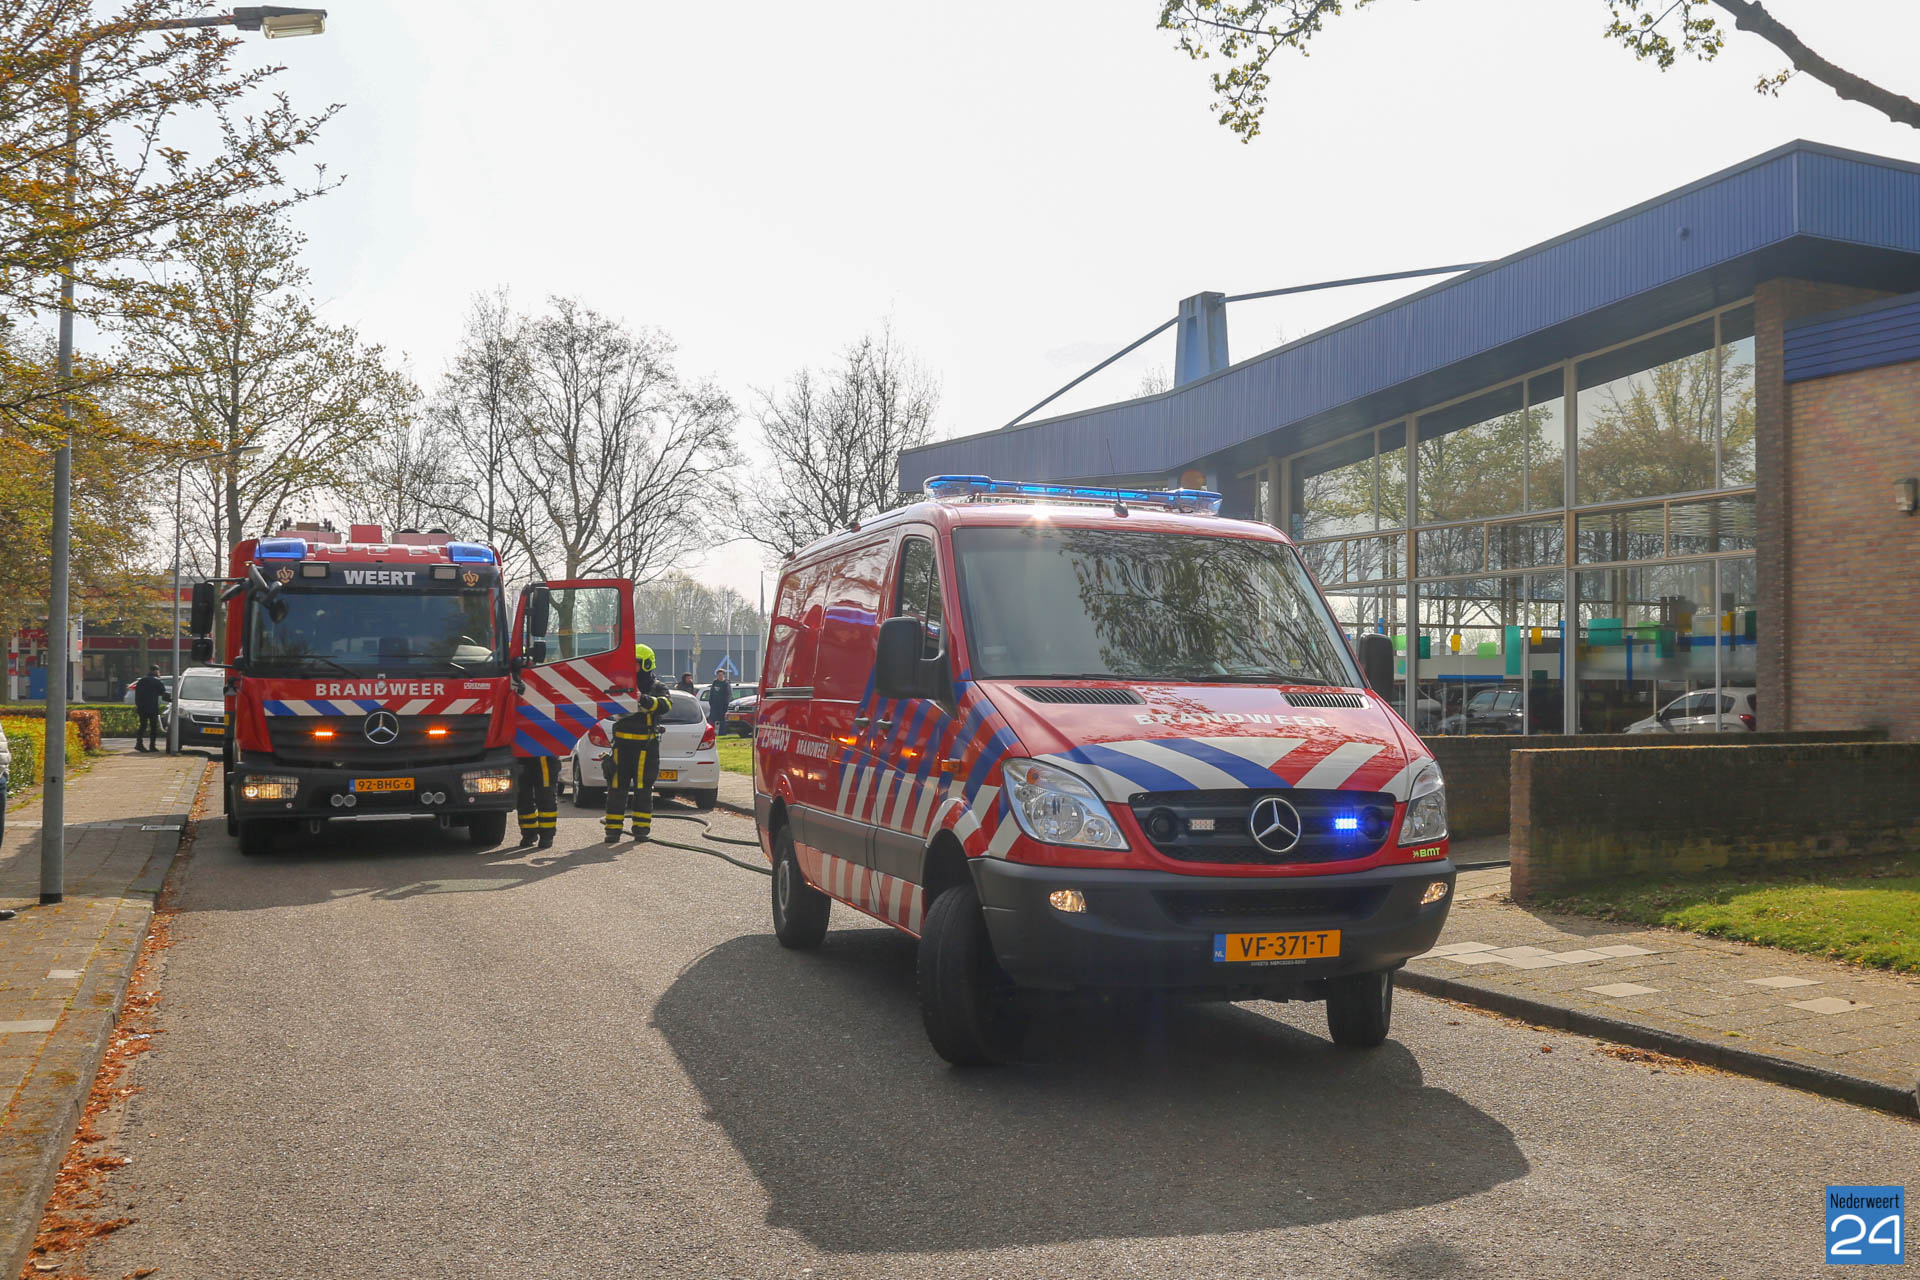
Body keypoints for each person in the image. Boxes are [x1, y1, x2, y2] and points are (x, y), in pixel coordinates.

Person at [604, 644, 673, 844]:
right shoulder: (621, 684)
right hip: (621, 747)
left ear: (646, 664)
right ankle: (612, 831)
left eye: (634, 663)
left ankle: (641, 830)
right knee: (616, 789)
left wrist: (643, 699)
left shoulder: (657, 687)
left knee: (643, 790)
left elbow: (666, 705)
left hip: (646, 748)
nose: (630, 667)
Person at [515, 755, 557, 850]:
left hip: (544, 760)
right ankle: (529, 834)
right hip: (521, 760)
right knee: (523, 799)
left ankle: (546, 836)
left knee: (546, 798)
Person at [132, 665, 170, 752]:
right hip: (152, 707)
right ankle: (152, 746)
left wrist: (138, 705)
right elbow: (162, 692)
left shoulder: (141, 680)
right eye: (158, 671)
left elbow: (137, 694)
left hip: (142, 707)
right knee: (153, 727)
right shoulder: (157, 681)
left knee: (143, 726)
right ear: (156, 671)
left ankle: (139, 744)